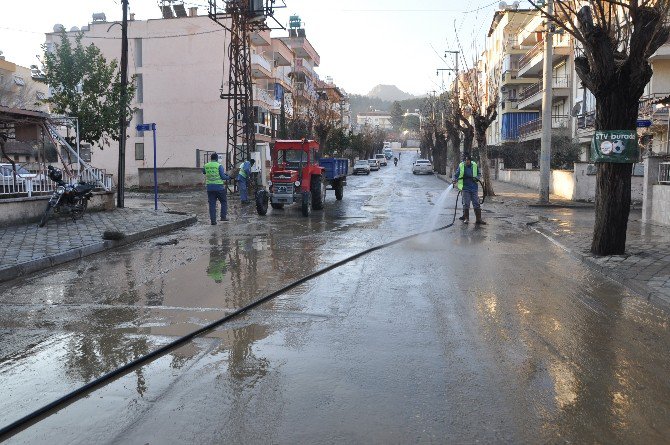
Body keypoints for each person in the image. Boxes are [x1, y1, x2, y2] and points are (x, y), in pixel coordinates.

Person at [452, 153, 486, 225]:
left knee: (476, 203)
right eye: (465, 160)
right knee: (466, 203)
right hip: (465, 188)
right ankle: (466, 218)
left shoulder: (474, 165)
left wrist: (476, 178)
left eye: (467, 160)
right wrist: (454, 179)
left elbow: (478, 173)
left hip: (474, 187)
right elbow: (456, 175)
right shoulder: (461, 166)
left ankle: (478, 219)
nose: (466, 162)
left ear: (470, 160)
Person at [202, 153, 232, 225]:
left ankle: (213, 221)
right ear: (217, 158)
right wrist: (229, 177)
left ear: (211, 158)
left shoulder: (206, 165)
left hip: (209, 188)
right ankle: (223, 217)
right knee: (223, 201)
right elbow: (223, 177)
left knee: (212, 204)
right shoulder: (219, 166)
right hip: (219, 187)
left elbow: (204, 172)